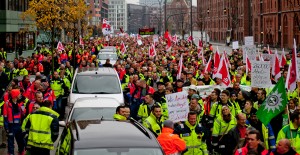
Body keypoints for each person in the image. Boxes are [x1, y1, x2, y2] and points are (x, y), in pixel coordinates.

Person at [3, 89, 25, 155]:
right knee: (10, 143)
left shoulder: (21, 103)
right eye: (19, 94)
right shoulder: (7, 104)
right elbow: (5, 116)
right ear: (15, 95)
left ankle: (21, 152)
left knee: (21, 141)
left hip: (19, 126)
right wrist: (6, 127)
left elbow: (23, 114)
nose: (20, 95)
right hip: (11, 126)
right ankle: (11, 153)